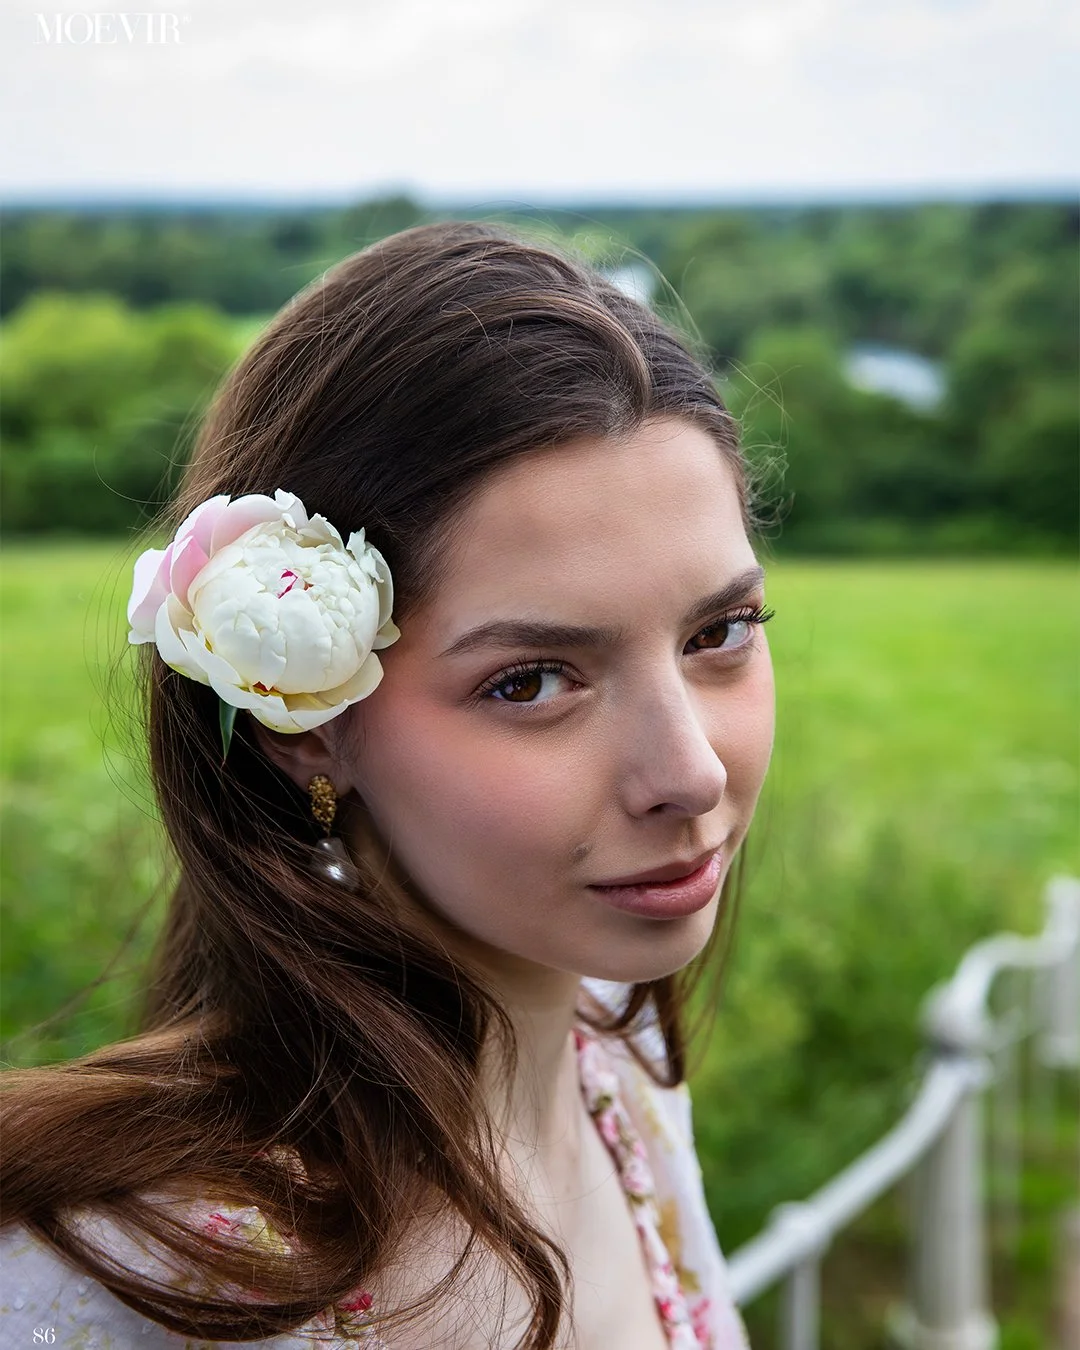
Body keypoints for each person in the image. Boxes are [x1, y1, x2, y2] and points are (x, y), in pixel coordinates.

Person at [0, 220, 775, 1349]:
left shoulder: (621, 1081)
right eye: (531, 681)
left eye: (721, 631)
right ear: (304, 724)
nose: (691, 772)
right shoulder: (135, 1275)